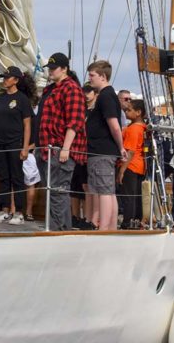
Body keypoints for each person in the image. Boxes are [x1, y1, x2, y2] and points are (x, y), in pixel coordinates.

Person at [37, 53, 87, 231]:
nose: (50, 71)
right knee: (53, 192)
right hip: (46, 148)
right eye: (49, 68)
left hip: (59, 149)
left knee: (58, 192)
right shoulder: (51, 89)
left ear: (64, 69)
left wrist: (66, 148)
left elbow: (75, 121)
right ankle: (61, 228)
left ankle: (57, 230)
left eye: (54, 68)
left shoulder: (72, 89)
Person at [0, 66, 33, 225]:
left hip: (15, 143)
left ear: (16, 80)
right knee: (3, 177)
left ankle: (19, 213)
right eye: (4, 77)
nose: (4, 80)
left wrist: (25, 147)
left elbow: (27, 124)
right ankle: (4, 210)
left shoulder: (22, 99)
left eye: (7, 78)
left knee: (17, 177)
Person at [86, 60, 126, 231]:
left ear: (103, 76)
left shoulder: (105, 96)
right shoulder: (108, 95)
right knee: (108, 191)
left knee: (103, 191)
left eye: (92, 75)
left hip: (102, 151)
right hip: (103, 151)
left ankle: (104, 229)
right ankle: (110, 228)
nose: (89, 78)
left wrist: (121, 147)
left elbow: (114, 125)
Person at [71, 83, 97, 230]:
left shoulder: (95, 112)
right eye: (84, 92)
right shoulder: (81, 110)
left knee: (86, 186)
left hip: (88, 152)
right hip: (77, 150)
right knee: (74, 186)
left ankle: (87, 217)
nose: (86, 94)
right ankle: (75, 216)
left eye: (89, 91)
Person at [118, 99, 147, 229]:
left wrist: (122, 170)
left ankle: (127, 222)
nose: (126, 112)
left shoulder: (134, 129)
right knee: (136, 196)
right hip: (140, 166)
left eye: (129, 110)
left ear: (138, 112)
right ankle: (136, 220)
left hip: (131, 166)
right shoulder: (142, 127)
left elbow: (130, 151)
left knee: (128, 196)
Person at [17, 72, 40, 222]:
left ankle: (14, 210)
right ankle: (29, 212)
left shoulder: (17, 106)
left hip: (15, 148)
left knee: (15, 183)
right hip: (30, 151)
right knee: (30, 184)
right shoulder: (35, 111)